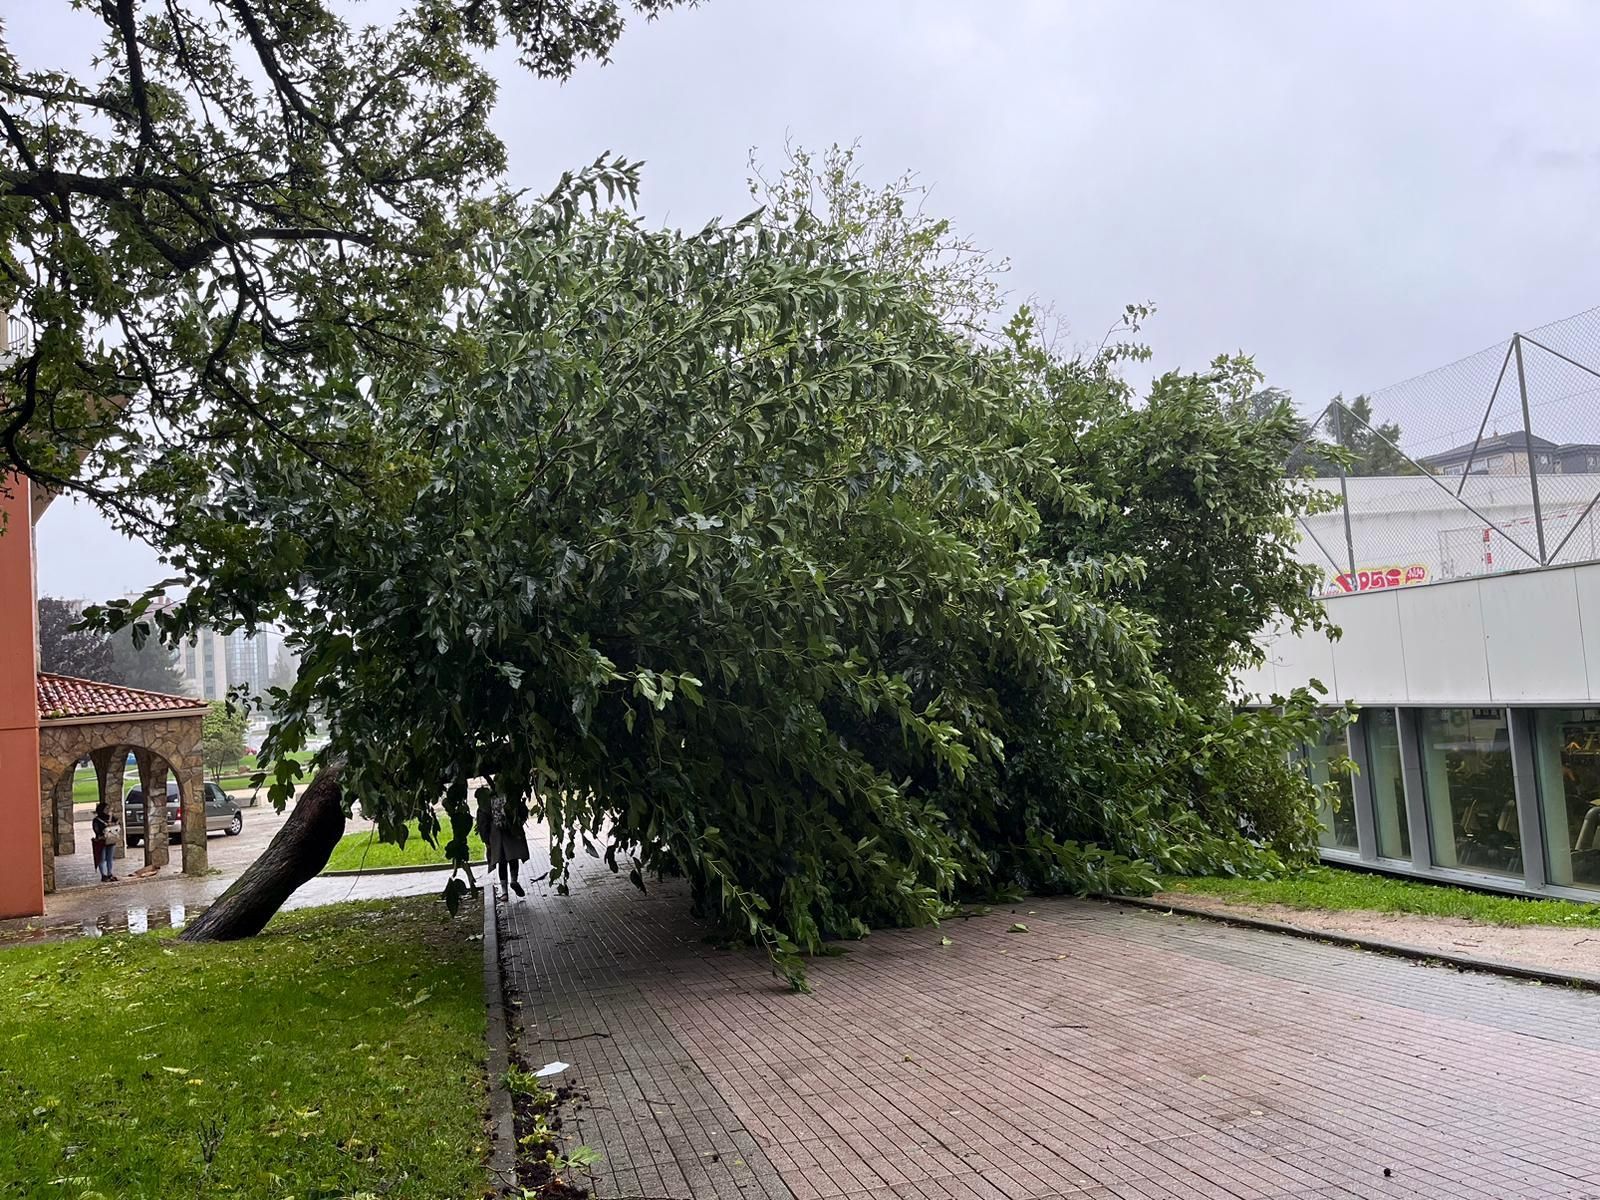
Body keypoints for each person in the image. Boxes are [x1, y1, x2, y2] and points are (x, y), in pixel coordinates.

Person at [476, 785, 529, 899]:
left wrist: (486, 840)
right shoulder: (510, 796)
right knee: (513, 858)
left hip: (496, 834)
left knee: (502, 862)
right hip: (511, 830)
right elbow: (522, 811)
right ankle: (514, 880)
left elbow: (483, 823)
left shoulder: (487, 802)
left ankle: (504, 892)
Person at [90, 801, 118, 882]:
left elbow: (117, 825)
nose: (108, 810)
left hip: (111, 840)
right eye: (106, 808)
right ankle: (103, 875)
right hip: (101, 841)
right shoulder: (97, 820)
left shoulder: (111, 817)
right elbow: (96, 830)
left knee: (110, 858)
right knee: (102, 859)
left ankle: (109, 873)